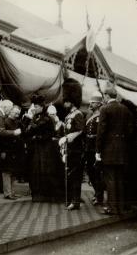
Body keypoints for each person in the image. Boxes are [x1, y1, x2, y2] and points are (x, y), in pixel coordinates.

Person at [96, 86, 133, 215]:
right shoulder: (125, 110)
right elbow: (130, 131)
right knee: (120, 179)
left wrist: (98, 150)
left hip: (109, 150)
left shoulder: (104, 109)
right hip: (122, 150)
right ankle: (120, 207)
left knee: (110, 179)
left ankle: (112, 207)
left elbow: (101, 131)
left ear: (106, 96)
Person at [25, 94, 65, 202]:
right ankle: (38, 194)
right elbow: (28, 131)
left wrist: (38, 137)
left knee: (46, 169)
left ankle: (50, 195)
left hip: (46, 148)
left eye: (37, 106)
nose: (35, 108)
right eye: (34, 106)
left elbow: (51, 133)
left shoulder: (47, 119)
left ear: (42, 107)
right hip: (37, 148)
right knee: (36, 169)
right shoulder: (34, 118)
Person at [59, 78, 85, 210]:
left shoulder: (78, 114)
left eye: (66, 101)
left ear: (71, 101)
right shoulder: (70, 115)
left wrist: (68, 137)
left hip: (76, 150)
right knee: (70, 175)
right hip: (69, 149)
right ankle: (72, 199)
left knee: (75, 176)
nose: (64, 104)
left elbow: (80, 130)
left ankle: (75, 201)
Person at [84, 91, 105, 206]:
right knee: (90, 171)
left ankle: (99, 195)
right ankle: (97, 192)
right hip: (89, 146)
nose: (90, 104)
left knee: (97, 173)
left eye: (93, 103)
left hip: (96, 147)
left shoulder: (102, 115)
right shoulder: (89, 116)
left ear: (98, 104)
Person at [1, 105, 25, 199]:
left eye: (18, 113)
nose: (17, 114)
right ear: (10, 112)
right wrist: (3, 150)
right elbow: (2, 137)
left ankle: (12, 192)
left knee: (13, 172)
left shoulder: (17, 121)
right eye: (15, 112)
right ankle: (7, 193)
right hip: (7, 150)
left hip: (15, 150)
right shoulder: (5, 121)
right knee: (7, 172)